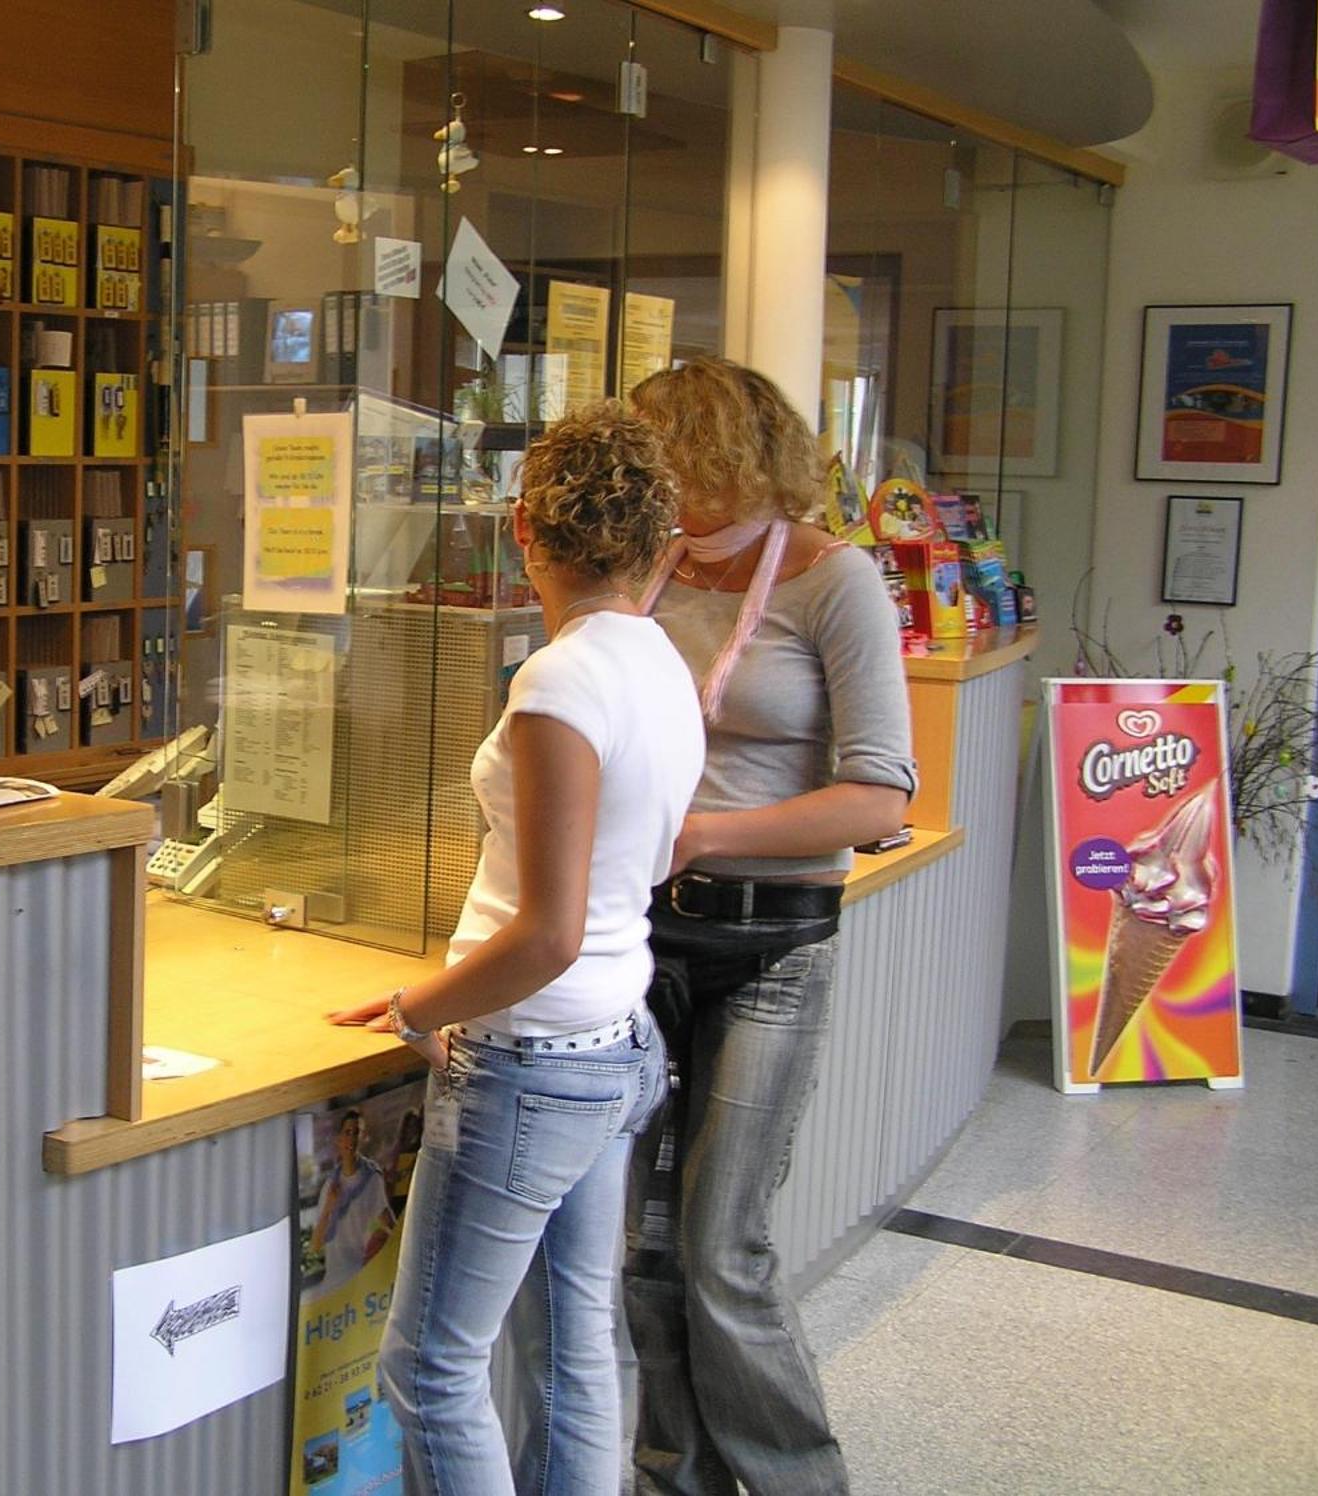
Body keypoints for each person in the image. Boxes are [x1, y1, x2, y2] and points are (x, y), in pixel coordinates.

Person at [330, 403, 700, 1496]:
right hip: (615, 1039)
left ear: (526, 531)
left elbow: (542, 931)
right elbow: (660, 851)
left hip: (533, 1056)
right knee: (573, 1345)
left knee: (434, 1367)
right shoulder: (659, 664)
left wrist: (419, 1004)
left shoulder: (560, 680)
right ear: (651, 541)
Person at [623, 358, 917, 1496]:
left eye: (666, 461)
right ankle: (671, 1477)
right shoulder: (651, 573)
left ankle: (799, 1482)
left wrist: (702, 834)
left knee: (719, 1248)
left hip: (770, 942)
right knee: (645, 1249)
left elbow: (878, 797)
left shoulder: (832, 582)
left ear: (720, 456)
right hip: (645, 936)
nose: (653, 487)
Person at [311, 1107, 396, 1294]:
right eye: (348, 1133)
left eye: (357, 1133)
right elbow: (316, 1245)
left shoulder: (372, 1179)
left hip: (360, 1276)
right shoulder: (330, 1186)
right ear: (339, 1140)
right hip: (333, 1280)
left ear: (364, 1138)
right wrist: (329, 1207)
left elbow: (386, 1220)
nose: (352, 1139)